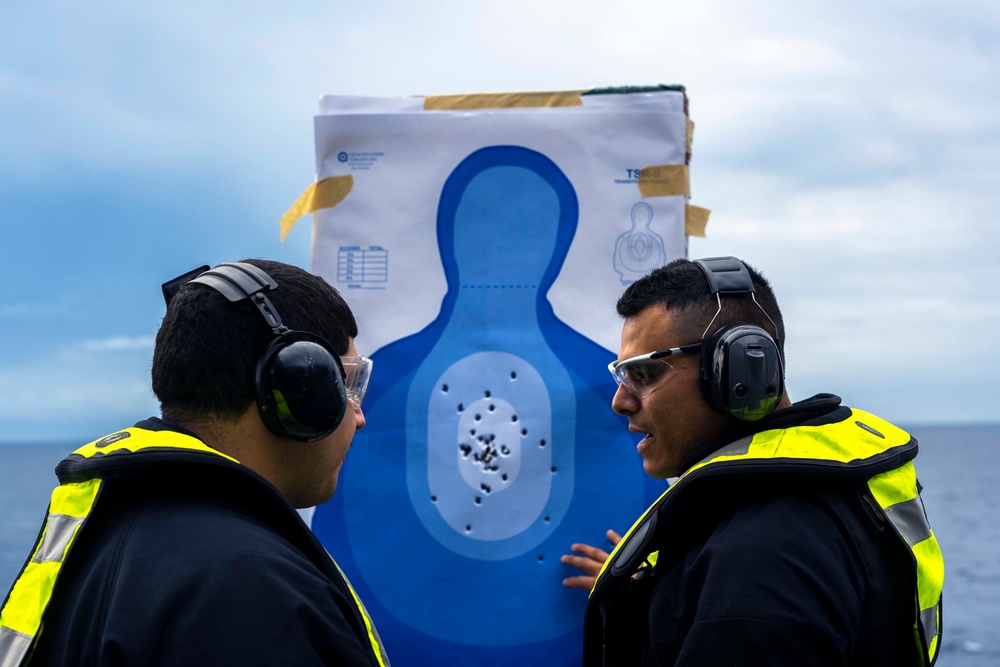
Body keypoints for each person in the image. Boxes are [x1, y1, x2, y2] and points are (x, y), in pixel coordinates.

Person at [0, 260, 389, 666]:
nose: (359, 417)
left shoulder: (112, 529)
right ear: (295, 388)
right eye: (344, 384)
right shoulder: (249, 589)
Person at [561, 256, 944, 666]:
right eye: (623, 376)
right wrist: (657, 594)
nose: (620, 402)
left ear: (739, 367)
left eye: (644, 374)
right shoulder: (802, 504)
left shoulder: (762, 556)